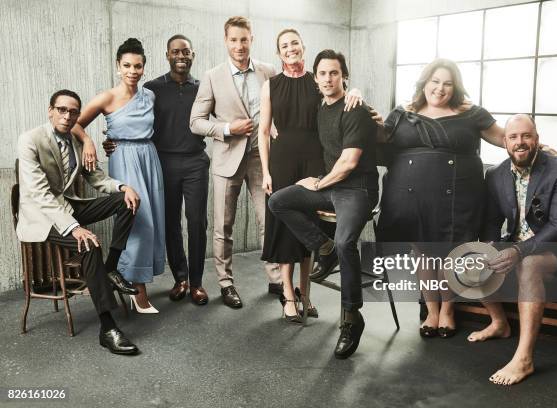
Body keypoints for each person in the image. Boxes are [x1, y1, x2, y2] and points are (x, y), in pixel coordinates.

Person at [375, 58, 506, 338]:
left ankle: (448, 310)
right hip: (410, 196)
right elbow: (378, 142)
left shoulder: (470, 112)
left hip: (458, 193)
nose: (440, 88)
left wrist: (535, 143)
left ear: (455, 87)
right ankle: (432, 312)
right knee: (422, 254)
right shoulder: (402, 112)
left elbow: (504, 137)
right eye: (435, 81)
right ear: (425, 83)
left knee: (450, 254)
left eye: (447, 83)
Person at [268, 50, 379, 358]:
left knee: (346, 242)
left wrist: (317, 182)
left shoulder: (355, 108)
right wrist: (313, 180)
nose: (328, 79)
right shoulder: (321, 108)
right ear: (315, 78)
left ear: (344, 76)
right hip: (330, 186)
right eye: (323, 74)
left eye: (334, 73)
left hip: (356, 188)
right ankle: (324, 249)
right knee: (279, 200)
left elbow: (348, 163)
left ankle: (350, 318)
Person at [473, 114, 557, 385]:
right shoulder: (495, 174)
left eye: (526, 136)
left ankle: (525, 359)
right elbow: (491, 222)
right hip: (520, 243)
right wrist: (490, 249)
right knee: (474, 257)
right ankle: (499, 323)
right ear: (504, 142)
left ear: (537, 140)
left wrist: (517, 252)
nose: (520, 142)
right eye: (514, 136)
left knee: (529, 264)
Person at [17, 89, 141, 354]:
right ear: (50, 110)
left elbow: (96, 178)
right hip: (41, 217)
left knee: (127, 201)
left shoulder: (75, 142)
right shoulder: (30, 140)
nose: (68, 115)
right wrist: (74, 228)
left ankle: (111, 269)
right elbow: (39, 195)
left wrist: (122, 187)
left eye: (73, 111)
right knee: (89, 244)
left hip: (69, 206)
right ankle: (108, 328)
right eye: (62, 109)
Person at [258, 29, 364, 323]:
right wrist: (266, 171)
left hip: (315, 162)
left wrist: (356, 91)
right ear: (278, 53)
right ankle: (288, 296)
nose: (290, 48)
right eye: (284, 45)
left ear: (303, 47)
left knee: (309, 229)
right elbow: (263, 131)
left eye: (295, 43)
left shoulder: (318, 81)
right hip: (281, 162)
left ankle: (306, 295)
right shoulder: (271, 86)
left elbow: (338, 96)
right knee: (283, 231)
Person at [103, 35, 210, 306]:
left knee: (197, 222)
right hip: (163, 163)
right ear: (167, 55)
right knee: (170, 222)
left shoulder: (203, 88)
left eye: (186, 51)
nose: (181, 56)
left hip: (196, 161)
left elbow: (221, 116)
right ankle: (181, 278)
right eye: (175, 51)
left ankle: (197, 283)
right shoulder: (152, 88)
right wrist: (110, 138)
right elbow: (131, 120)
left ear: (192, 54)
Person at [190, 16, 282, 309]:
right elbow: (195, 122)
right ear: (226, 41)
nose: (239, 45)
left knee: (269, 220)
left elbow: (280, 109)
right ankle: (226, 283)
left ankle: (277, 278)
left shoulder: (268, 71)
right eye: (234, 40)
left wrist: (277, 126)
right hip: (227, 158)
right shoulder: (212, 76)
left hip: (261, 158)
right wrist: (228, 129)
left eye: (244, 39)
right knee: (223, 226)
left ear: (251, 39)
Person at [73, 38, 165, 313]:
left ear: (143, 68)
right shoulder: (106, 97)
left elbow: (149, 129)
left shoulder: (149, 96)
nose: (132, 71)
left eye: (137, 66)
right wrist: (90, 141)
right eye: (127, 65)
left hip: (149, 158)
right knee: (139, 221)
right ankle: (138, 292)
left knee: (153, 223)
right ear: (118, 66)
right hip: (124, 161)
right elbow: (76, 124)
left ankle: (133, 280)